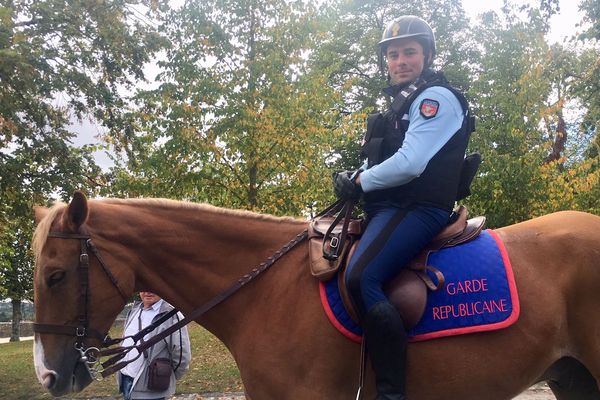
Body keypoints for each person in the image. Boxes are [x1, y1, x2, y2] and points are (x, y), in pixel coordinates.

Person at [332, 15, 474, 400]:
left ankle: (392, 392)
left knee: (361, 278)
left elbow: (411, 162)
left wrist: (362, 182)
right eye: (393, 54)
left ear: (426, 55)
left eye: (409, 52)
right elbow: (381, 162)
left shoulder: (435, 99)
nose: (400, 61)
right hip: (387, 207)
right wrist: (353, 176)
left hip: (418, 208)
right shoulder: (398, 105)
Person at [117, 292, 191, 400]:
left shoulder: (171, 315)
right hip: (126, 380)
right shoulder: (134, 310)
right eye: (144, 288)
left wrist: (165, 376)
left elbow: (181, 356)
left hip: (152, 389)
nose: (148, 292)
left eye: (152, 288)